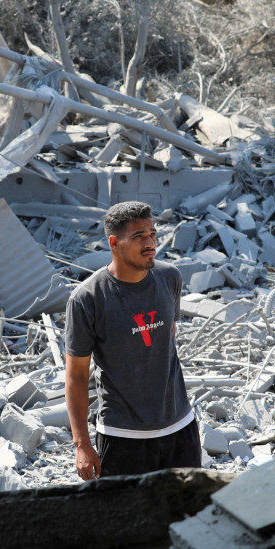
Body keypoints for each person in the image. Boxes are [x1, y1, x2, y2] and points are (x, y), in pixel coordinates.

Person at [64, 201, 200, 480]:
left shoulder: (169, 277)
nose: (150, 243)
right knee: (127, 520)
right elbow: (76, 377)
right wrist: (82, 445)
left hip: (180, 429)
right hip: (123, 436)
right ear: (115, 243)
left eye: (152, 234)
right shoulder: (87, 299)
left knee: (187, 515)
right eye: (139, 237)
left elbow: (166, 339)